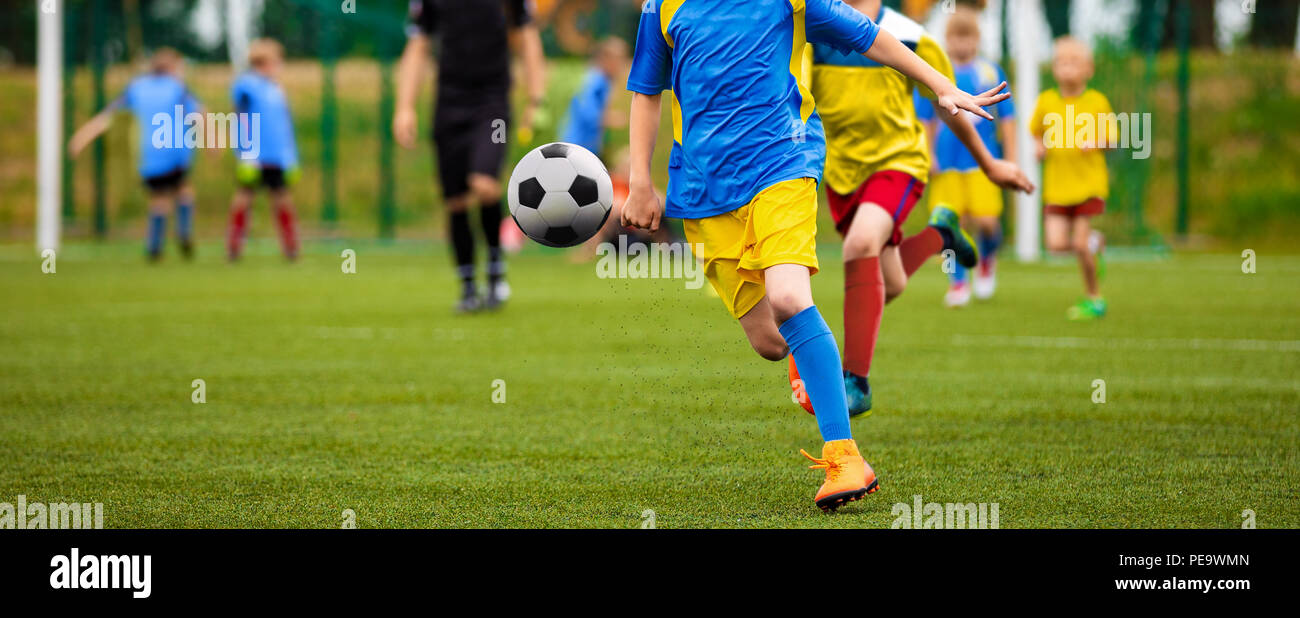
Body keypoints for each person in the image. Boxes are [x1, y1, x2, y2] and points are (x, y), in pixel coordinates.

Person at [622, 0, 1015, 511]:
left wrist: (940, 84)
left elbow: (871, 36)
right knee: (769, 341)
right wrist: (640, 183)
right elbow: (646, 91)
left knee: (788, 296)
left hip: (783, 162)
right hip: (702, 190)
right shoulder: (662, 8)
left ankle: (845, 456)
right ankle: (807, 360)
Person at [794, 0, 1032, 417]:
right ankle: (942, 236)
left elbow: (949, 102)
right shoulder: (813, 29)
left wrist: (989, 162)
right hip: (843, 174)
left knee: (861, 245)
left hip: (899, 162)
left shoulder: (912, 37)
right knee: (892, 283)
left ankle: (856, 382)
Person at [395, 0, 547, 313]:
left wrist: (536, 98)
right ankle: (467, 287)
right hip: (448, 103)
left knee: (485, 183)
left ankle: (494, 270)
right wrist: (404, 107)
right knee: (456, 201)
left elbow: (528, 38)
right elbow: (417, 46)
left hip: (494, 104)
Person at [915, 5, 1017, 306]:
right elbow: (926, 119)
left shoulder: (990, 72)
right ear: (947, 39)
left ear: (977, 39)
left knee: (986, 221)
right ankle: (958, 283)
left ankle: (986, 260)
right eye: (956, 37)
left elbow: (1008, 119)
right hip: (946, 163)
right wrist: (927, 153)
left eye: (968, 37)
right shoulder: (936, 74)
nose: (962, 44)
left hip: (982, 162)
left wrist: (1009, 157)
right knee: (948, 224)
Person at [68, 48, 199, 261]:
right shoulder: (177, 87)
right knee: (184, 192)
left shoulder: (137, 87)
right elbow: (198, 114)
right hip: (176, 152)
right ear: (173, 68)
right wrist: (214, 142)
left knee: (158, 200)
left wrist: (81, 138)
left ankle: (154, 247)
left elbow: (107, 116)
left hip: (150, 157)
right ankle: (183, 231)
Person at [1031, 36, 1113, 321]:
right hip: (1057, 187)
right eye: (1061, 62)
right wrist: (1039, 146)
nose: (1067, 68)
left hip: (1089, 186)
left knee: (1078, 244)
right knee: (1055, 245)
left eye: (1074, 63)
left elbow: (1113, 139)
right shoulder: (1046, 101)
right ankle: (1094, 244)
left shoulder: (1097, 102)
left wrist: (1097, 141)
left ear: (1088, 69)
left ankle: (1094, 298)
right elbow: (1036, 131)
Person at [227, 39, 301, 262]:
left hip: (277, 156)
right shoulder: (247, 85)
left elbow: (283, 124)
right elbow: (239, 113)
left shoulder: (276, 89)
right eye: (276, 61)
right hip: (253, 155)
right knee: (244, 198)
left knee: (282, 199)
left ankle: (291, 247)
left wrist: (290, 154)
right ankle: (234, 246)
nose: (279, 66)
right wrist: (244, 149)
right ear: (264, 62)